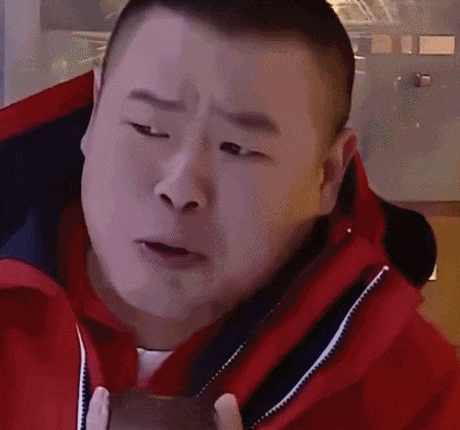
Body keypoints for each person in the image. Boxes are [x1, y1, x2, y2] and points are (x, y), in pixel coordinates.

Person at [0, 0, 459, 429]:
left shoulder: (412, 391)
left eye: (239, 148)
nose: (181, 189)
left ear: (327, 174)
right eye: (148, 127)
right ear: (96, 111)